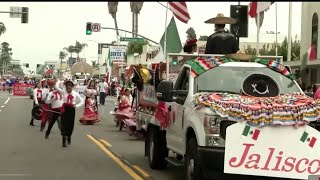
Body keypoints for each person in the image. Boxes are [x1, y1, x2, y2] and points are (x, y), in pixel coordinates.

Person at [55, 78, 84, 147]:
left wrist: (76, 106)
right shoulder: (63, 92)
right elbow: (56, 87)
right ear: (66, 86)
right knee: (63, 124)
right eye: (67, 85)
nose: (69, 87)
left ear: (72, 87)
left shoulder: (75, 94)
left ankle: (69, 136)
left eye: (70, 85)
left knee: (70, 124)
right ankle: (64, 140)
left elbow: (82, 101)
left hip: (71, 109)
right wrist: (60, 80)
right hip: (64, 109)